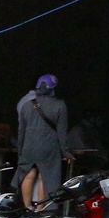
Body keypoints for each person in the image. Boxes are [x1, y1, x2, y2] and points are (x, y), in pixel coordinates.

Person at [15, 74, 69, 208]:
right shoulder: (60, 105)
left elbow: (21, 130)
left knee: (28, 175)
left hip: (29, 146)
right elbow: (62, 132)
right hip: (49, 146)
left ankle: (27, 207)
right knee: (45, 178)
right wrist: (65, 152)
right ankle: (40, 209)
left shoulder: (27, 105)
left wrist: (20, 149)